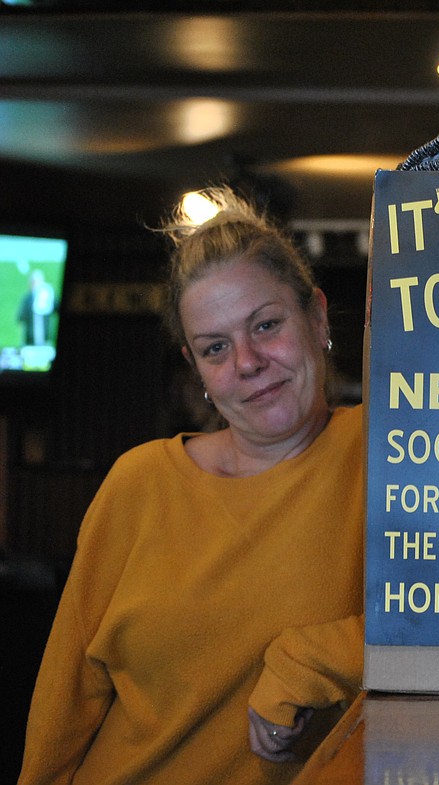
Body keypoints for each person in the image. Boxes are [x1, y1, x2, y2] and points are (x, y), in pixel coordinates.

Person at [19, 188, 365, 785]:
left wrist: (315, 659)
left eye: (267, 325)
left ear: (316, 316)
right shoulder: (140, 482)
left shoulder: (394, 448)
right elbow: (66, 699)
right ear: (196, 367)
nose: (247, 361)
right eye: (215, 348)